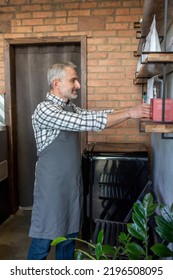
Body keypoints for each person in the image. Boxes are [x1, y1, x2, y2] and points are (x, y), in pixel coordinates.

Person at [27, 61, 150, 260]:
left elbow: (96, 115)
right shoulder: (45, 110)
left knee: (68, 239)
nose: (78, 85)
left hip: (71, 185)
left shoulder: (70, 108)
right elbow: (87, 122)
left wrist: (131, 110)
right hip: (51, 188)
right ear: (57, 84)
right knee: (44, 239)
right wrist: (129, 113)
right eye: (73, 80)